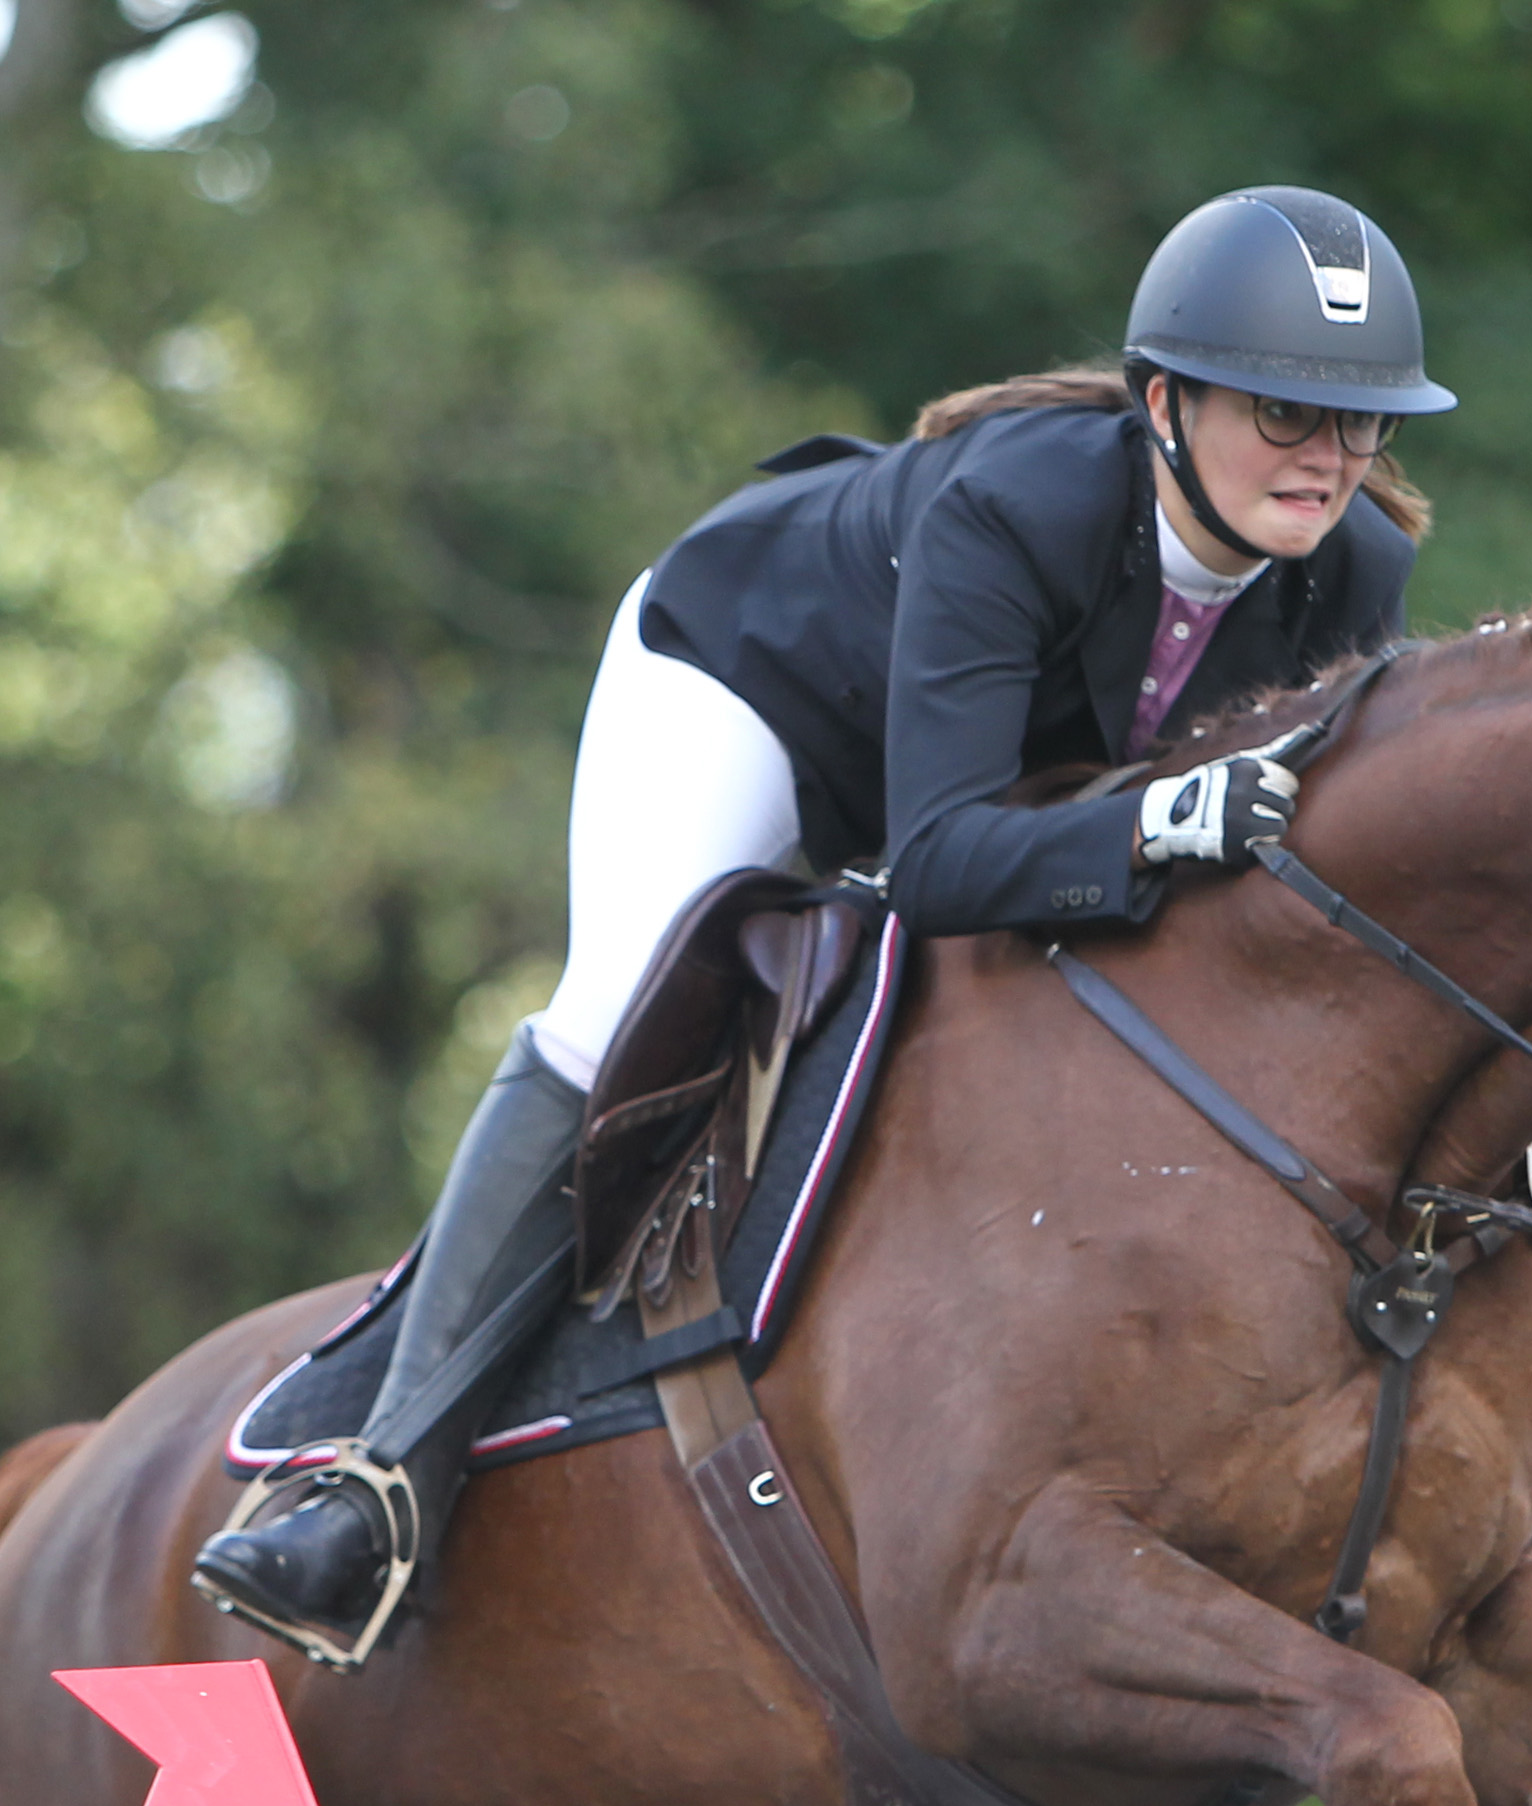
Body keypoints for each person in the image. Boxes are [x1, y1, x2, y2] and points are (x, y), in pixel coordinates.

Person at [193, 185, 1456, 1666]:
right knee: (616, 1018)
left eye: (1359, 424)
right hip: (750, 687)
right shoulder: (1021, 503)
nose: (1327, 463)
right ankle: (377, 1486)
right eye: (1283, 415)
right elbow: (932, 859)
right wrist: (1149, 826)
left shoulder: (1354, 564)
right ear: (1165, 401)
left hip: (989, 781)